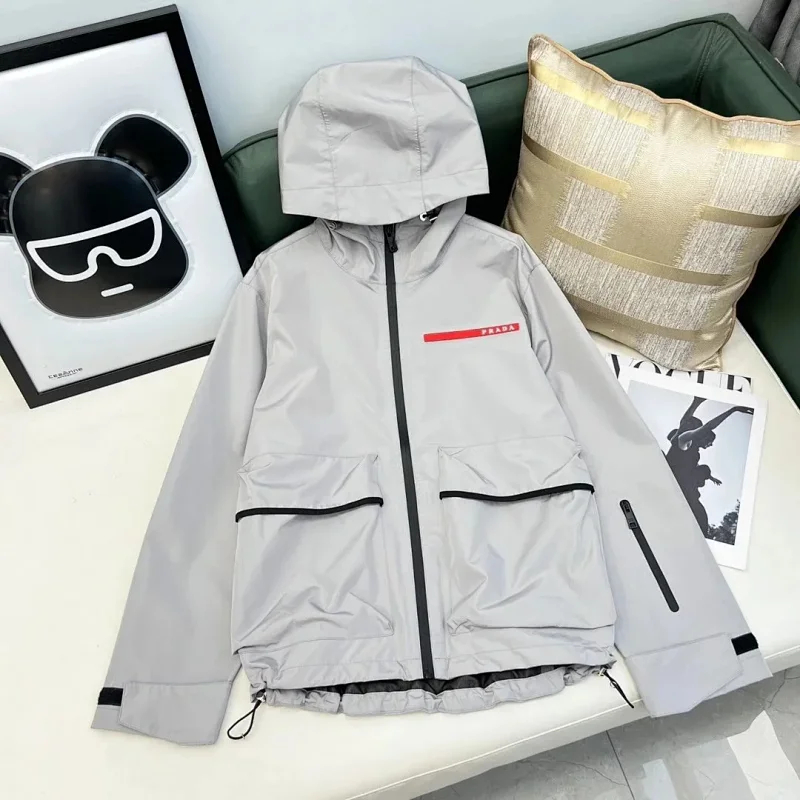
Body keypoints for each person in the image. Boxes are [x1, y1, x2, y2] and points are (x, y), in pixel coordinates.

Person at [665, 397, 752, 534]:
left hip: (686, 487)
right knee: (699, 518)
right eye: (709, 441)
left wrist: (696, 402)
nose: (710, 445)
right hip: (679, 488)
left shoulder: (692, 450)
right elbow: (704, 427)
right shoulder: (682, 441)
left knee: (704, 470)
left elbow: (685, 422)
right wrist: (732, 410)